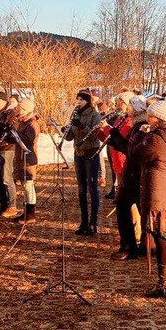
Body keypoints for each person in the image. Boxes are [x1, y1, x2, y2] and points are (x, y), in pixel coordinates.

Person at [133, 100, 166, 299]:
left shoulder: (154, 139)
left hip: (156, 189)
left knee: (160, 236)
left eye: (151, 116)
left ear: (159, 118)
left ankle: (164, 285)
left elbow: (136, 153)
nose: (148, 118)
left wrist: (141, 134)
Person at [105, 94, 147, 260]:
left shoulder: (141, 127)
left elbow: (131, 151)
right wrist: (113, 136)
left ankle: (130, 246)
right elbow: (126, 147)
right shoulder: (136, 126)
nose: (127, 110)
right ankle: (137, 245)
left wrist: (114, 136)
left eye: (129, 107)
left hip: (135, 174)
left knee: (124, 206)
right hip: (133, 173)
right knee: (128, 206)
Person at [64, 89, 102, 235]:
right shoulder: (76, 114)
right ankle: (83, 221)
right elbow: (70, 137)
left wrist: (81, 126)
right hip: (78, 153)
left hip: (90, 153)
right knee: (81, 189)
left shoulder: (94, 114)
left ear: (88, 101)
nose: (78, 102)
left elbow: (95, 136)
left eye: (81, 99)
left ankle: (93, 223)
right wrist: (66, 130)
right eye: (77, 99)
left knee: (92, 188)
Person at [11, 98, 40, 223]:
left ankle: (30, 214)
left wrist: (15, 133)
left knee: (29, 185)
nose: (19, 111)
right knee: (24, 185)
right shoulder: (22, 122)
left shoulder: (32, 124)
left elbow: (28, 140)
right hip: (20, 157)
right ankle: (26, 212)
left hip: (28, 159)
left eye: (21, 109)